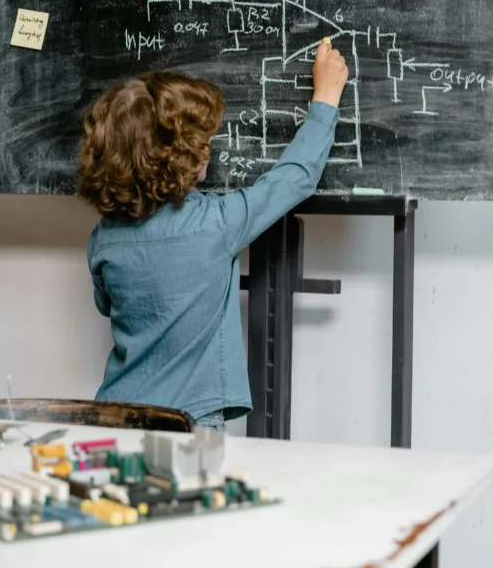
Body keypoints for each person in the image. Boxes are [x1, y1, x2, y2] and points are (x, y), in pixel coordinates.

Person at [77, 41, 348, 430]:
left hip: (115, 414)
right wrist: (325, 97)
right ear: (180, 159)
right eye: (201, 142)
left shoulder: (103, 239)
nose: (209, 149)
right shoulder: (215, 225)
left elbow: (107, 306)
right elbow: (294, 178)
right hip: (191, 421)